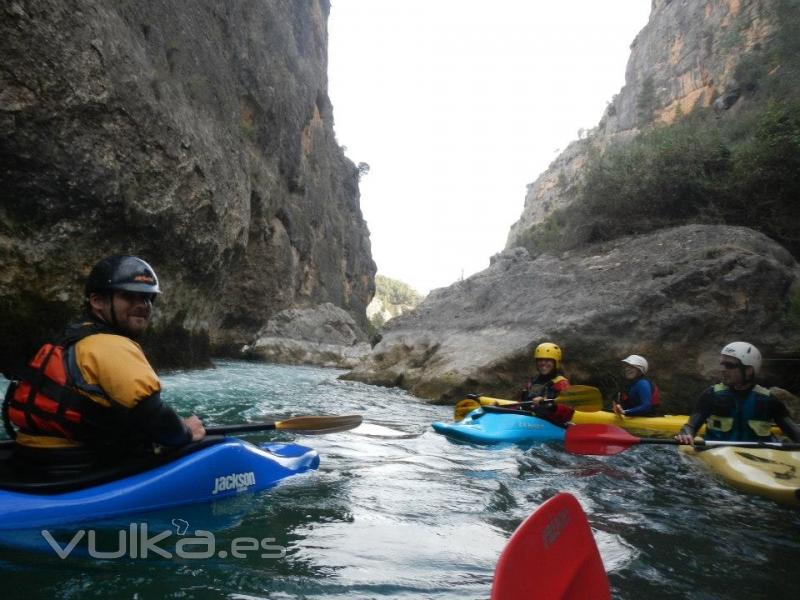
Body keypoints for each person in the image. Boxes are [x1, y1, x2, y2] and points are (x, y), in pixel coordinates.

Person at [3, 255, 206, 476]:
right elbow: (157, 419)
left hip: (31, 457)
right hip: (77, 469)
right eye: (129, 296)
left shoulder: (69, 339)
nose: (142, 305)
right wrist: (186, 431)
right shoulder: (111, 346)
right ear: (97, 301)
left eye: (147, 298)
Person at [675, 342, 800, 444]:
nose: (723, 369)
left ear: (749, 370)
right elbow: (690, 426)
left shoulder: (769, 400)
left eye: (729, 365)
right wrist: (686, 434)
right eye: (722, 364)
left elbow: (794, 432)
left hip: (759, 460)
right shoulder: (711, 395)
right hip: (718, 456)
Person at [518, 342, 574, 425]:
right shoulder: (531, 383)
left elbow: (568, 412)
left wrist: (548, 405)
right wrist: (499, 407)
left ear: (555, 363)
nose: (543, 363)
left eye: (548, 360)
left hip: (552, 425)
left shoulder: (561, 383)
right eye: (540, 360)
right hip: (531, 423)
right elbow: (521, 405)